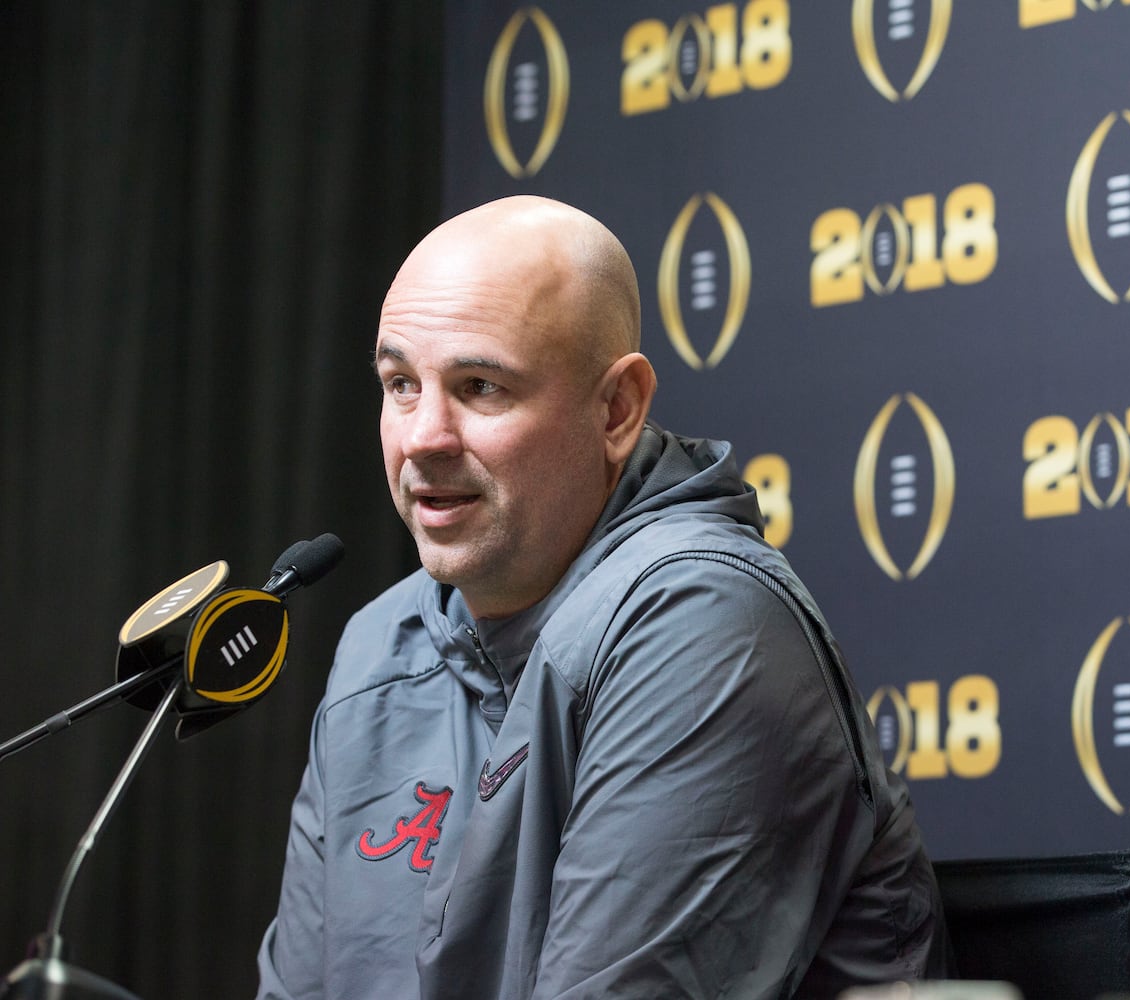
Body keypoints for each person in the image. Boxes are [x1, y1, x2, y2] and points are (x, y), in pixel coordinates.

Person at [255, 196, 946, 999]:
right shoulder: (380, 646)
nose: (423, 437)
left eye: (480, 387)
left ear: (617, 409)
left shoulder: (703, 623)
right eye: (401, 384)